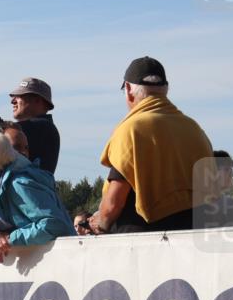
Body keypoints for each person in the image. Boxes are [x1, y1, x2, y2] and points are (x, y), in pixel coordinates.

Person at [91, 57, 214, 234]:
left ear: (128, 89)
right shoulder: (194, 129)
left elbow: (114, 203)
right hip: (194, 235)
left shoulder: (131, 130)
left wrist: (100, 225)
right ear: (166, 89)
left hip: (142, 240)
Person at [0, 130, 74, 263]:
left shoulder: (19, 185)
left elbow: (54, 225)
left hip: (63, 262)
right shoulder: (3, 186)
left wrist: (11, 239)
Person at [199, 150, 233, 228]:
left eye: (232, 172)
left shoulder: (231, 203)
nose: (231, 175)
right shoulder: (230, 204)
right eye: (226, 170)